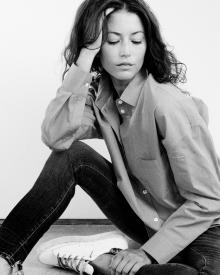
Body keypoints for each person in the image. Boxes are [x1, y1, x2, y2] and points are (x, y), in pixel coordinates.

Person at [1, 0, 220, 274]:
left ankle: (104, 261)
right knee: (72, 156)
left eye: (136, 41)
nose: (126, 52)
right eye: (113, 41)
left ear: (147, 45)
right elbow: (57, 138)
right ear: (97, 46)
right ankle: (4, 255)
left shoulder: (167, 105)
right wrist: (83, 60)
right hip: (147, 219)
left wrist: (147, 254)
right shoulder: (102, 98)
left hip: (202, 227)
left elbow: (209, 200)